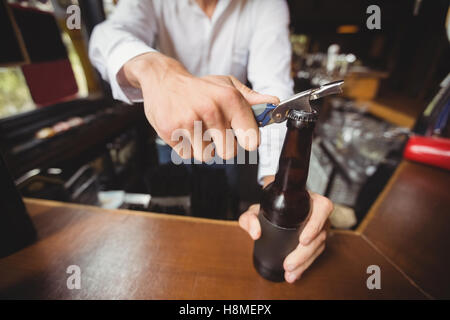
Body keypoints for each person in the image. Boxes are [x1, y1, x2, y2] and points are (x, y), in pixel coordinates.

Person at [89, 0, 333, 283]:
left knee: (220, 208)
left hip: (226, 142)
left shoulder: (267, 5)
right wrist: (156, 69)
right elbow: (105, 35)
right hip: (172, 141)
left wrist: (278, 191)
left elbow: (273, 88)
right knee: (174, 211)